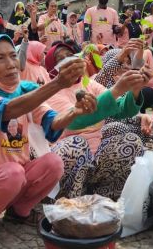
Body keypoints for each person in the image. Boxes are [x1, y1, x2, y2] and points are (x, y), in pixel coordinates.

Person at [0, 35, 95, 249]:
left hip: (12, 181)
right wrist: (57, 84)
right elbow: (9, 110)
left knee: (53, 163)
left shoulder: (27, 90)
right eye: (0, 58)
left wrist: (75, 111)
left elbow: (51, 121)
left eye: (12, 55)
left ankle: (18, 212)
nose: (10, 64)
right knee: (13, 173)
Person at [44, 42, 146, 199]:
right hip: (69, 158)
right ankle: (69, 203)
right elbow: (75, 122)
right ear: (53, 67)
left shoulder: (89, 84)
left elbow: (120, 108)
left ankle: (103, 198)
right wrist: (117, 90)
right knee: (77, 144)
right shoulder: (52, 91)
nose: (67, 61)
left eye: (69, 56)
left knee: (132, 142)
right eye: (60, 59)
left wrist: (135, 90)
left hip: (96, 153)